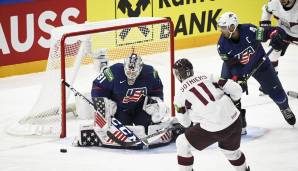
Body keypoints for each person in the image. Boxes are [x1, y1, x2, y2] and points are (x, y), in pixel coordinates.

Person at [73, 51, 174, 149]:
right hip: (120, 109)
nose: (131, 75)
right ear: (124, 66)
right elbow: (98, 86)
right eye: (128, 71)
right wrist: (103, 102)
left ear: (140, 68)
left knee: (146, 124)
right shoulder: (113, 72)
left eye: (134, 72)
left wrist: (155, 102)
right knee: (121, 126)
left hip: (140, 108)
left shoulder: (151, 73)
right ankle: (102, 65)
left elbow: (157, 88)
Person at [217, 12, 296, 130]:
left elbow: (269, 32)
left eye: (224, 28)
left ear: (233, 27)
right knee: (228, 91)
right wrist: (237, 77)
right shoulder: (222, 45)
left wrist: (275, 36)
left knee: (278, 94)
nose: (222, 31)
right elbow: (231, 64)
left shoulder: (248, 30)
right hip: (238, 68)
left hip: (260, 64)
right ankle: (237, 118)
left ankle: (284, 107)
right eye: (221, 28)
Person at [173, 58, 250, 171]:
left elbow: (185, 123)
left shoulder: (179, 96)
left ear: (178, 75)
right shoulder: (209, 77)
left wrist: (192, 119)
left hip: (214, 128)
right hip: (235, 120)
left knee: (182, 142)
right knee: (231, 152)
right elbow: (237, 90)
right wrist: (233, 100)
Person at [259, 0, 298, 94]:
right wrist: (264, 29)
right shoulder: (274, 2)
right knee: (273, 53)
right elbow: (266, 10)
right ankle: (271, 82)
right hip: (283, 30)